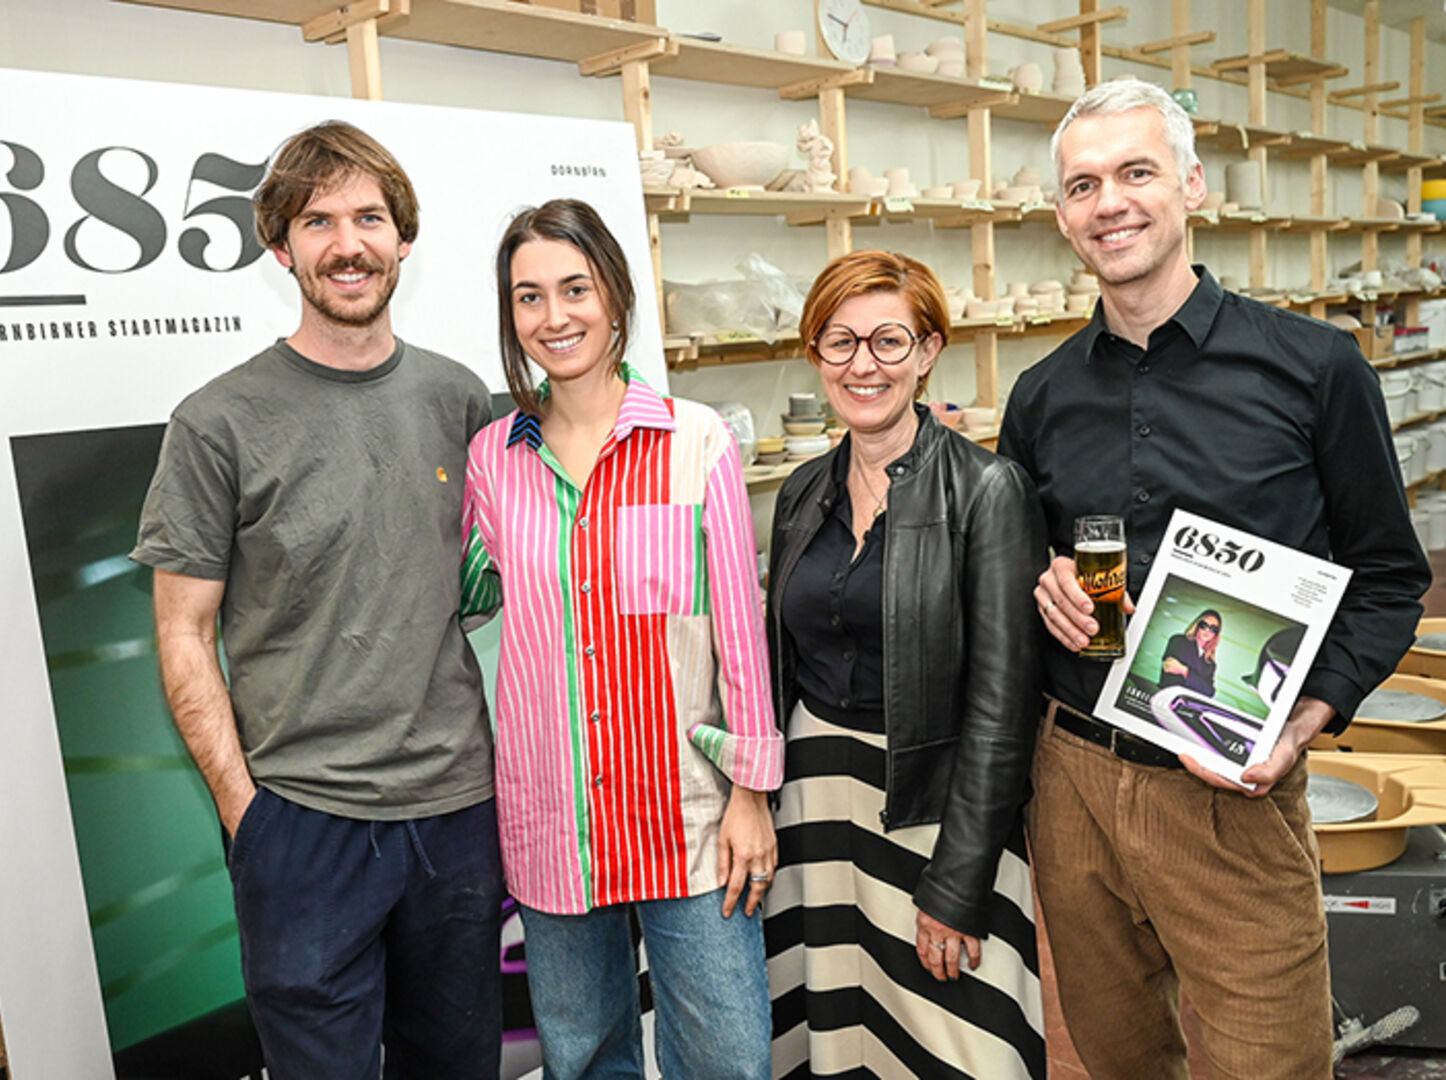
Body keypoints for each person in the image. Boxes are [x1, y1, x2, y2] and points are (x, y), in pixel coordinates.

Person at [999, 79, 1431, 1080]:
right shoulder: (1040, 395)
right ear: (1062, 216)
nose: (1108, 201)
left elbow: (1384, 577)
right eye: (1081, 184)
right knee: (1111, 1060)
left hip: (1230, 788)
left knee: (1266, 1063)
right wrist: (1041, 583)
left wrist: (1304, 718)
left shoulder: (1316, 369)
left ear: (1190, 185)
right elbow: (1022, 561)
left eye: (1135, 172)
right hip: (1071, 779)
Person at [130, 121, 502, 1079]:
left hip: (457, 810)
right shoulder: (218, 422)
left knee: (457, 1065)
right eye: (319, 219)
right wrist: (245, 811)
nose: (349, 243)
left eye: (371, 217)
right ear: (279, 244)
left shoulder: (463, 401)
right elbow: (181, 631)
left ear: (404, 239)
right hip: (301, 821)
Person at [461, 198, 782, 1080]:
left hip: (688, 817)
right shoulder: (495, 458)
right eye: (529, 297)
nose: (554, 316)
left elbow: (738, 635)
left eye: (575, 288)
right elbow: (464, 599)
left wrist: (753, 793)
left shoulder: (696, 439)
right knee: (584, 1058)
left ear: (616, 297)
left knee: (726, 1059)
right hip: (551, 818)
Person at [763, 249, 1048, 1080]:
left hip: (935, 801)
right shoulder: (800, 490)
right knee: (834, 1029)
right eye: (840, 341)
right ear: (816, 355)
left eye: (889, 341)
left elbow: (1005, 704)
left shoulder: (989, 490)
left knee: (958, 1044)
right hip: (817, 798)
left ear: (927, 353)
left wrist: (958, 885)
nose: (864, 365)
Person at [1159, 609, 1221, 695]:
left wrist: (1184, 671)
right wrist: (1200, 683)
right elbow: (1169, 670)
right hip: (1168, 697)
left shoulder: (1210, 664)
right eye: (1204, 625)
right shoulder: (1178, 641)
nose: (1207, 631)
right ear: (1197, 625)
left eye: (1213, 629)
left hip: (1190, 705)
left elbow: (1210, 692)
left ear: (1216, 634)